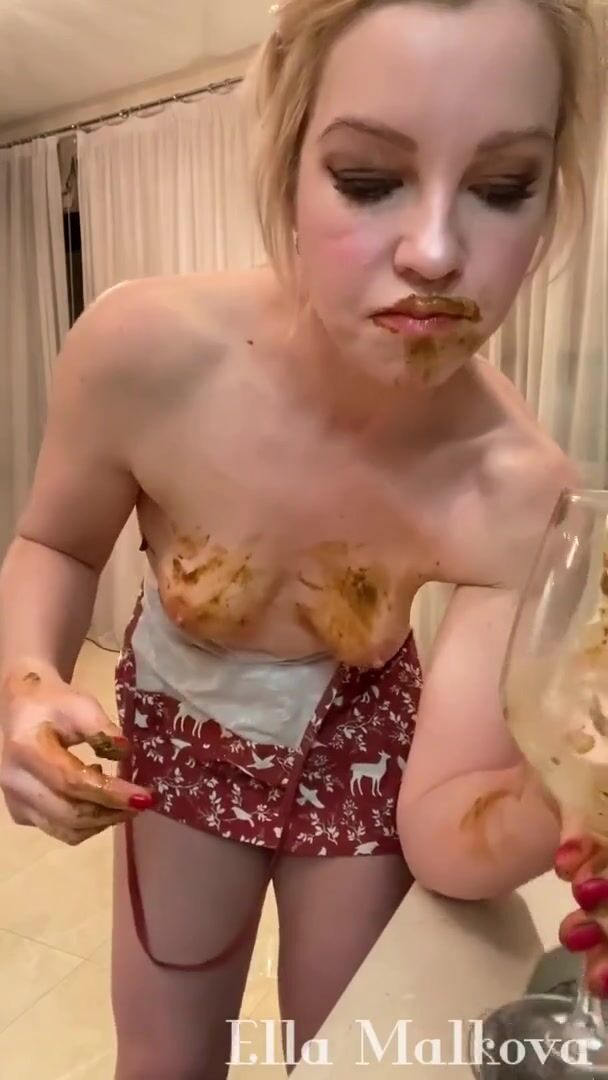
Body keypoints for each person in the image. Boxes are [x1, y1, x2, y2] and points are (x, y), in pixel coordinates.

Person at [0, 0, 605, 1075]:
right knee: (166, 1057)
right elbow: (56, 544)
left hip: (365, 746)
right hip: (182, 733)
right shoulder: (142, 352)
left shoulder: (520, 493)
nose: (433, 252)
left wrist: (571, 789)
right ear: (285, 162)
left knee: (348, 1056)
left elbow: (446, 837)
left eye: (502, 187)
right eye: (367, 179)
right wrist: (26, 680)